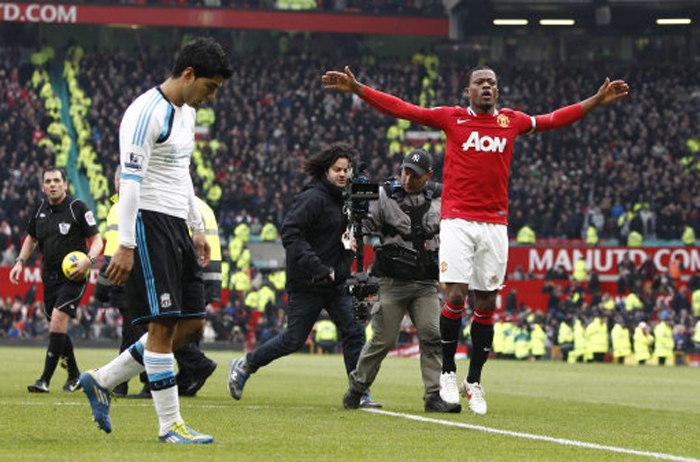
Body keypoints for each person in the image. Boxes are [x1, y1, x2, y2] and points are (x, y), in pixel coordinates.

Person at [323, 64, 629, 415]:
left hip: (495, 223)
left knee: (486, 303)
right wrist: (360, 89)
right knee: (455, 294)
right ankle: (447, 374)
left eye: (491, 83)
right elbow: (405, 109)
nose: (486, 87)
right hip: (457, 220)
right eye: (479, 83)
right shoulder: (452, 118)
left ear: (497, 91)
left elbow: (554, 119)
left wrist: (595, 100)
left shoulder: (511, 121)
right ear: (467, 91)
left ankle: (474, 380)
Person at [78, 37, 233, 444]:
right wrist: (127, 244)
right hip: (148, 224)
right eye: (210, 87)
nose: (211, 97)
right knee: (162, 326)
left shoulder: (186, 113)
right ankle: (170, 426)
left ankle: (103, 379)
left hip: (177, 225)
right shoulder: (144, 113)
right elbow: (129, 183)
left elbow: (182, 173)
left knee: (192, 324)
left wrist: (196, 226)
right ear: (188, 74)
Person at [227, 143, 368, 405]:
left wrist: (350, 247)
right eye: (337, 169)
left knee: (354, 331)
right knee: (293, 340)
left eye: (347, 170)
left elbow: (343, 236)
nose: (342, 174)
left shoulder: (348, 200)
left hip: (336, 282)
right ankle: (245, 364)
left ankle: (359, 393)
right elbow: (290, 233)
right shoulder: (312, 198)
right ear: (326, 171)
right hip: (307, 282)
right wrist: (318, 268)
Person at [342, 149, 459, 413]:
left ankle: (434, 396)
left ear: (428, 176)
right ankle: (357, 389)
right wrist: (355, 230)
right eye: (405, 172)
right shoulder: (384, 194)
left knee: (433, 335)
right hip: (391, 281)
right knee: (383, 340)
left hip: (425, 283)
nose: (407, 179)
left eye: (415, 175)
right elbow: (363, 225)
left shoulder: (442, 197)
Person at [95, 170, 218, 398]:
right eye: (118, 179)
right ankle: (133, 385)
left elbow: (112, 247)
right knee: (141, 329)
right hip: (147, 257)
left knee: (160, 327)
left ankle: (111, 378)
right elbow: (115, 246)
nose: (119, 183)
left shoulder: (176, 197)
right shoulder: (126, 203)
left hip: (169, 256)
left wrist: (198, 230)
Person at [10, 166, 103, 393]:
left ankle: (44, 380)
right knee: (57, 325)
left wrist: (89, 260)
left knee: (58, 319)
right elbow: (31, 238)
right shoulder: (39, 208)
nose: (52, 185)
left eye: (56, 181)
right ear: (43, 186)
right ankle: (74, 376)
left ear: (65, 184)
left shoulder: (77, 207)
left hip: (74, 275)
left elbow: (97, 240)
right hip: (49, 276)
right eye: (48, 181)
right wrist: (20, 262)